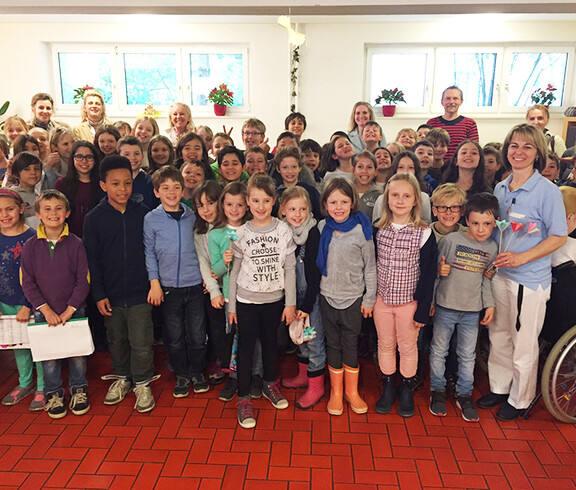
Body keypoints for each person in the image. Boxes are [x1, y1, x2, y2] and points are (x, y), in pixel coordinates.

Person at [478, 124, 567, 421]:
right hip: (501, 276)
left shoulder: (548, 191)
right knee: (500, 335)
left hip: (529, 280)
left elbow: (558, 236)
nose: (519, 152)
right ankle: (500, 387)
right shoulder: (502, 187)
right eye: (514, 146)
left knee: (524, 341)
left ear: (538, 153)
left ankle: (520, 399)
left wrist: (522, 258)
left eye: (527, 147)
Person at [83, 155, 157, 413]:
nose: (123, 189)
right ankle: (123, 378)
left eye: (127, 183)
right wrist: (99, 293)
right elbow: (93, 261)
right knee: (117, 340)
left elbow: (153, 253)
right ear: (103, 185)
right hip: (111, 294)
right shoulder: (94, 219)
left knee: (141, 340)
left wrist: (153, 284)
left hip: (141, 293)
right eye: (116, 184)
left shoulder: (145, 214)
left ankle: (143, 382)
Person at [228, 173, 297, 429]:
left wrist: (290, 303)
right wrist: (231, 305)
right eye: (255, 201)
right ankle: (244, 397)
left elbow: (290, 268)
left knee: (270, 345)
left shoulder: (283, 230)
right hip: (246, 301)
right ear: (247, 201)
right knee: (245, 349)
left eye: (266, 201)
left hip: (275, 300)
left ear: (274, 202)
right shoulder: (240, 233)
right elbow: (234, 270)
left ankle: (269, 384)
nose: (260, 206)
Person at [21, 190, 90, 419]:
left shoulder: (76, 244)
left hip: (74, 310)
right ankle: (53, 393)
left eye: (59, 208)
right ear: (38, 214)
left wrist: (71, 308)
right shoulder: (30, 246)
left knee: (77, 354)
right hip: (44, 314)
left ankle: (79, 389)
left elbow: (84, 280)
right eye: (47, 209)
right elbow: (27, 282)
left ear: (67, 213)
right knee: (49, 357)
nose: (53, 213)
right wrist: (45, 309)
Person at [430, 193, 499, 422]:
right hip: (445, 306)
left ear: (495, 223)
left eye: (487, 224)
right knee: (439, 349)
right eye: (476, 223)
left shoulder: (492, 248)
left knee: (467, 354)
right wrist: (431, 301)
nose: (481, 229)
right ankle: (438, 390)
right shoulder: (450, 242)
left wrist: (488, 304)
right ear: (467, 220)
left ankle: (464, 393)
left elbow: (486, 279)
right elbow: (436, 274)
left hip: (472, 310)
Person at [373, 173, 437, 418]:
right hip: (382, 302)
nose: (400, 200)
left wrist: (423, 308)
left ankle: (407, 388)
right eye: (395, 195)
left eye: (406, 196)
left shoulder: (423, 233)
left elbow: (428, 274)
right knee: (385, 345)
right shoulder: (378, 228)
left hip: (409, 303)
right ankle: (388, 385)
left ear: (415, 202)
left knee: (408, 347)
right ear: (387, 199)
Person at [144, 166, 209, 397]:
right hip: (168, 287)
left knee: (198, 334)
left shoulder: (193, 216)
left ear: (183, 190)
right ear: (156, 192)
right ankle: (181, 373)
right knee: (174, 335)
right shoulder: (151, 219)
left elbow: (205, 247)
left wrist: (207, 277)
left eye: (176, 187)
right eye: (165, 188)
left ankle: (197, 371)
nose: (171, 192)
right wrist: (154, 283)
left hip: (195, 286)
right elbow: (149, 253)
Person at [317, 178, 376, 416]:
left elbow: (370, 267)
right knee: (332, 344)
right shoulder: (322, 228)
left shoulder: (363, 230)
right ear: (325, 204)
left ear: (352, 203)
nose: (338, 206)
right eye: (333, 202)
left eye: (344, 201)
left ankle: (352, 392)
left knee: (350, 344)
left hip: (353, 298)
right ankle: (336, 393)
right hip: (326, 296)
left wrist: (369, 299)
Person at [280, 186, 326, 409]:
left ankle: (316, 386)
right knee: (298, 337)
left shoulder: (314, 232)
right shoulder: (281, 232)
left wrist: (307, 304)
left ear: (310, 209)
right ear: (282, 210)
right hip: (291, 297)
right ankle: (303, 375)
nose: (297, 214)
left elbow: (315, 272)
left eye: (302, 209)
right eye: (292, 209)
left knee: (313, 339)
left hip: (310, 298)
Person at [0, 190, 43, 412]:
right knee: (18, 344)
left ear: (20, 208)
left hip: (32, 302)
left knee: (39, 344)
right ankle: (25, 382)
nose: (4, 215)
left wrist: (28, 304)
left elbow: (40, 276)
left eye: (9, 208)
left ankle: (44, 386)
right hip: (4, 303)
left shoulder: (33, 238)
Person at [208, 182, 250, 398]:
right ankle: (234, 378)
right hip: (229, 296)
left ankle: (254, 375)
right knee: (233, 338)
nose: (234, 209)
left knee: (252, 338)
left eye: (240, 205)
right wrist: (225, 262)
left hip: (252, 294)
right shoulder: (216, 235)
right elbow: (214, 270)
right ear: (222, 205)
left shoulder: (252, 228)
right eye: (230, 204)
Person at [55, 141, 103, 238]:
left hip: (97, 237)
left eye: (89, 157)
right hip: (68, 238)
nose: (84, 161)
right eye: (79, 156)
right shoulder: (62, 184)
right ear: (72, 159)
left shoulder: (102, 184)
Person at [372, 152, 432, 224]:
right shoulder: (381, 199)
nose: (405, 171)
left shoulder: (424, 198)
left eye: (411, 168)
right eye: (400, 167)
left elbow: (426, 223)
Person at [427, 86, 479, 162]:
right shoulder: (432, 123)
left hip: (459, 168)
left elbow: (473, 149)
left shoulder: (470, 124)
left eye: (455, 98)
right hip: (435, 167)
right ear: (442, 102)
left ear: (461, 102)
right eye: (448, 98)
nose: (451, 102)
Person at [274, 146, 322, 220]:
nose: (290, 171)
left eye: (294, 167)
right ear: (278, 169)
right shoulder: (275, 193)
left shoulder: (311, 191)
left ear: (300, 167)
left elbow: (319, 216)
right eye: (285, 167)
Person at [117, 136, 158, 210]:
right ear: (118, 157)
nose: (133, 158)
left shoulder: (152, 182)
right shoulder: (113, 183)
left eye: (136, 153)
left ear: (142, 157)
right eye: (127, 154)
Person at [9, 152, 42, 228]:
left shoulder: (39, 196)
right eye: (27, 169)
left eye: (37, 168)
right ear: (16, 174)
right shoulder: (13, 195)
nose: (33, 172)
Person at [352, 150, 381, 218]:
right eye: (360, 167)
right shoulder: (346, 191)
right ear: (353, 171)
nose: (364, 171)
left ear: (376, 172)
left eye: (369, 167)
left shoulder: (379, 195)